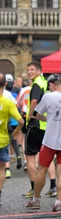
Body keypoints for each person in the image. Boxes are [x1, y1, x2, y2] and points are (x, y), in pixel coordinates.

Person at [26, 75, 61, 212]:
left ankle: (36, 199)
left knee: (42, 170)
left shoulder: (48, 97)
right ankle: (58, 202)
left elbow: (37, 115)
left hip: (50, 140)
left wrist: (48, 118)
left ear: (51, 85)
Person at [23, 62, 57, 199]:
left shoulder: (37, 84)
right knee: (46, 157)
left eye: (32, 69)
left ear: (39, 71)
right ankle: (53, 186)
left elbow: (34, 101)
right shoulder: (45, 82)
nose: (29, 72)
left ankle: (33, 188)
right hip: (45, 125)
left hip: (35, 125)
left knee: (30, 156)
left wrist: (31, 115)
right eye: (28, 70)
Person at [0, 74, 24, 206]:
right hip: (2, 140)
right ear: (5, 85)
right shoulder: (8, 102)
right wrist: (15, 133)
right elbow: (20, 120)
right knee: (1, 169)